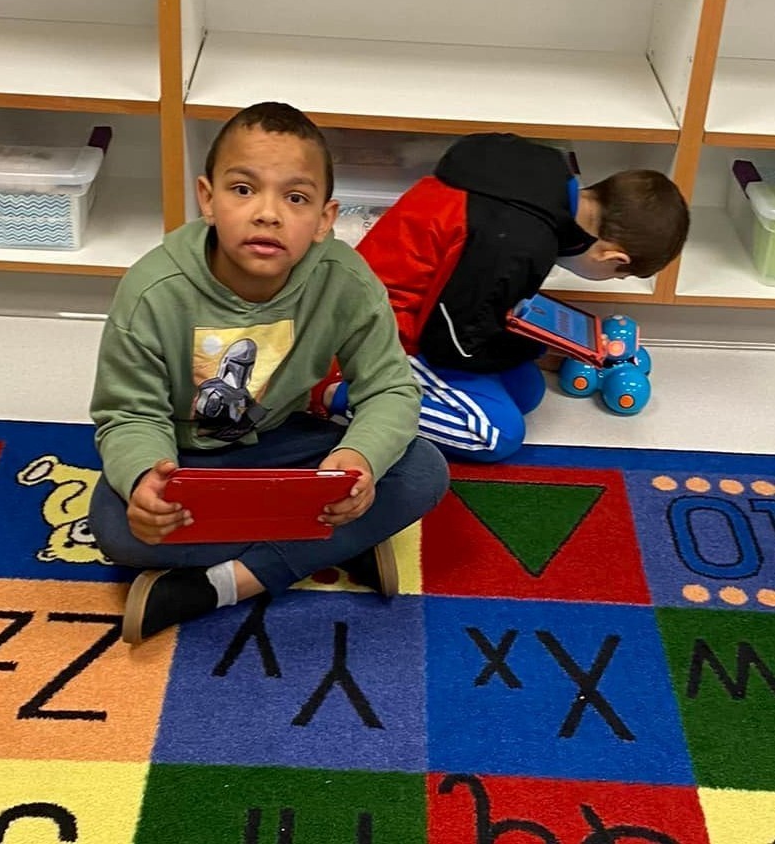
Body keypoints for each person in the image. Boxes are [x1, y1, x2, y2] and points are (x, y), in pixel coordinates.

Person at [87, 101, 450, 645]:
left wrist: (359, 461)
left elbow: (390, 390)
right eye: (243, 189)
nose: (268, 214)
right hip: (186, 458)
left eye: (296, 198)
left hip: (281, 443)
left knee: (423, 469)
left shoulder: (346, 281)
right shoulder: (152, 291)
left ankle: (222, 586)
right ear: (207, 198)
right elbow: (128, 414)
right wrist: (145, 480)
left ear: (325, 219)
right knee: (118, 529)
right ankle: (336, 542)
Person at [314, 133, 690, 463]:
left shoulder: (549, 178)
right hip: (383, 334)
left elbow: (476, 299)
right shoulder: (523, 242)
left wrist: (537, 347)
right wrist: (531, 347)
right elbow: (451, 347)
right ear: (612, 258)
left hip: (417, 308)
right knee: (499, 434)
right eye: (618, 275)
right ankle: (342, 397)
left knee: (527, 391)